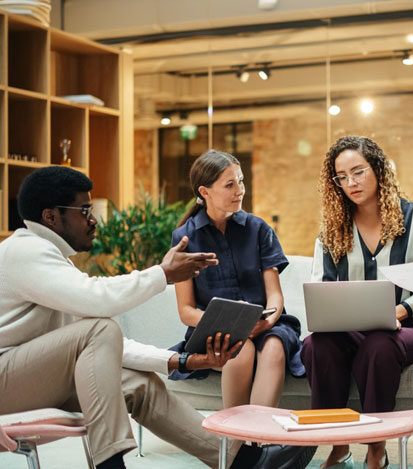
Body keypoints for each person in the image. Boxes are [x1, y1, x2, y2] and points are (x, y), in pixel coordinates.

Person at [0, 166, 240, 469]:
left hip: (30, 378)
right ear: (50, 217)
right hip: (5, 380)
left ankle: (237, 457)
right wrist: (162, 274)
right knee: (99, 328)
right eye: (84, 210)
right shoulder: (24, 251)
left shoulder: (53, 262)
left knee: (138, 384)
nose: (93, 220)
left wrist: (183, 361)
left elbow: (103, 347)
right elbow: (96, 301)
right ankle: (111, 463)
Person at [301, 136, 413, 469]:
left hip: (409, 325)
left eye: (358, 172)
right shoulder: (332, 228)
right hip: (350, 328)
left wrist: (402, 310)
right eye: (342, 176)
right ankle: (338, 444)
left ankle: (376, 445)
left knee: (380, 345)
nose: (351, 183)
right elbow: (322, 287)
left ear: (377, 169)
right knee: (316, 345)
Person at [170, 149, 314, 469]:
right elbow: (186, 310)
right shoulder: (184, 238)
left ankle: (263, 443)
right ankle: (238, 447)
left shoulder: (259, 229)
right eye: (230, 184)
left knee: (275, 346)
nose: (240, 191)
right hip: (214, 330)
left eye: (241, 182)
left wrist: (268, 319)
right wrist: (227, 323)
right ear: (204, 192)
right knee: (242, 348)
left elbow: (274, 296)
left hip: (267, 324)